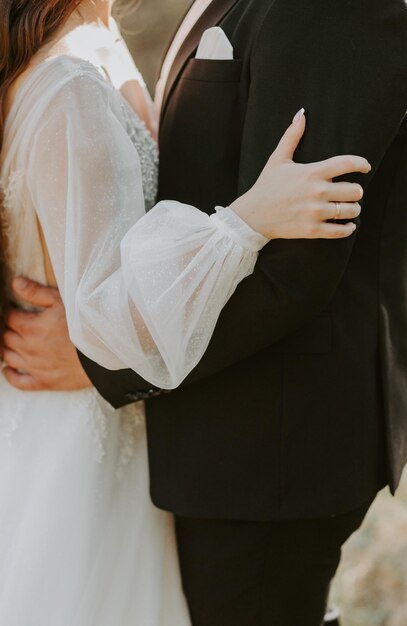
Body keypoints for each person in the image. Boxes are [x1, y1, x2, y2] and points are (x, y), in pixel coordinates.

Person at [0, 0, 369, 624]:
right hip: (79, 436)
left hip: (50, 416)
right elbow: (107, 318)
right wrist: (244, 223)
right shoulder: (68, 89)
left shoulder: (45, 70)